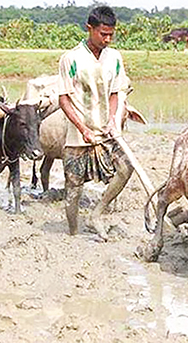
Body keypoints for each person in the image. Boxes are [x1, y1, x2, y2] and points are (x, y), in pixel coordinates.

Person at [58, 5, 134, 238]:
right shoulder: (71, 59)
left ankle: (96, 213)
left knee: (126, 168)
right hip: (78, 137)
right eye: (103, 34)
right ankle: (72, 234)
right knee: (73, 190)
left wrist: (113, 120)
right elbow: (63, 99)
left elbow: (115, 92)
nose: (108, 39)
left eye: (111, 34)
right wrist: (82, 129)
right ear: (89, 29)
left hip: (105, 132)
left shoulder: (115, 58)